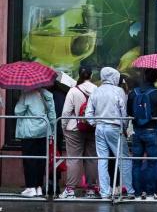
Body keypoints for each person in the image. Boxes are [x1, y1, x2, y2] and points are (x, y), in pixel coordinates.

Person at [86, 67, 135, 200]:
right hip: (114, 127)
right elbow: (123, 112)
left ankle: (105, 192)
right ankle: (129, 190)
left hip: (99, 128)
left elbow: (88, 114)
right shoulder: (119, 91)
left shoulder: (96, 91)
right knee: (123, 158)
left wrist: (95, 123)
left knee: (102, 160)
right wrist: (124, 127)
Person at [59, 67, 99, 199]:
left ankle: (70, 190)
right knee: (91, 159)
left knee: (74, 159)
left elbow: (66, 112)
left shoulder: (73, 91)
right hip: (92, 128)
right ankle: (91, 190)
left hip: (74, 129)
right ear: (91, 75)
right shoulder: (97, 90)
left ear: (79, 75)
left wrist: (64, 127)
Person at [127, 68, 157, 201]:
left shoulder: (133, 93)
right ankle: (150, 194)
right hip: (152, 131)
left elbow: (129, 112)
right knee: (151, 164)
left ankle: (137, 194)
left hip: (137, 131)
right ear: (156, 78)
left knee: (136, 164)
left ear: (144, 76)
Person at [15, 86, 56, 197]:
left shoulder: (26, 94)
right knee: (41, 160)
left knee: (29, 160)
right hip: (44, 131)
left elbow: (17, 112)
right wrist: (52, 131)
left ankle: (30, 187)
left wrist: (20, 100)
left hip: (29, 132)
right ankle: (39, 187)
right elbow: (52, 115)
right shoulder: (47, 94)